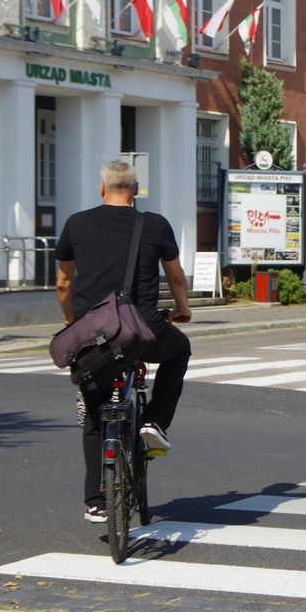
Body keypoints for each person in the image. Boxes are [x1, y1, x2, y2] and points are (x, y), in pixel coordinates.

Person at [55, 160, 192, 523]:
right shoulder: (155, 224)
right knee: (180, 350)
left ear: (102, 189)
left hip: (93, 336)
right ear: (135, 190)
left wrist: (73, 323)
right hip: (143, 331)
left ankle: (97, 500)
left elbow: (63, 283)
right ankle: (154, 423)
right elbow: (176, 276)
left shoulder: (76, 223)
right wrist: (182, 309)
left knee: (92, 415)